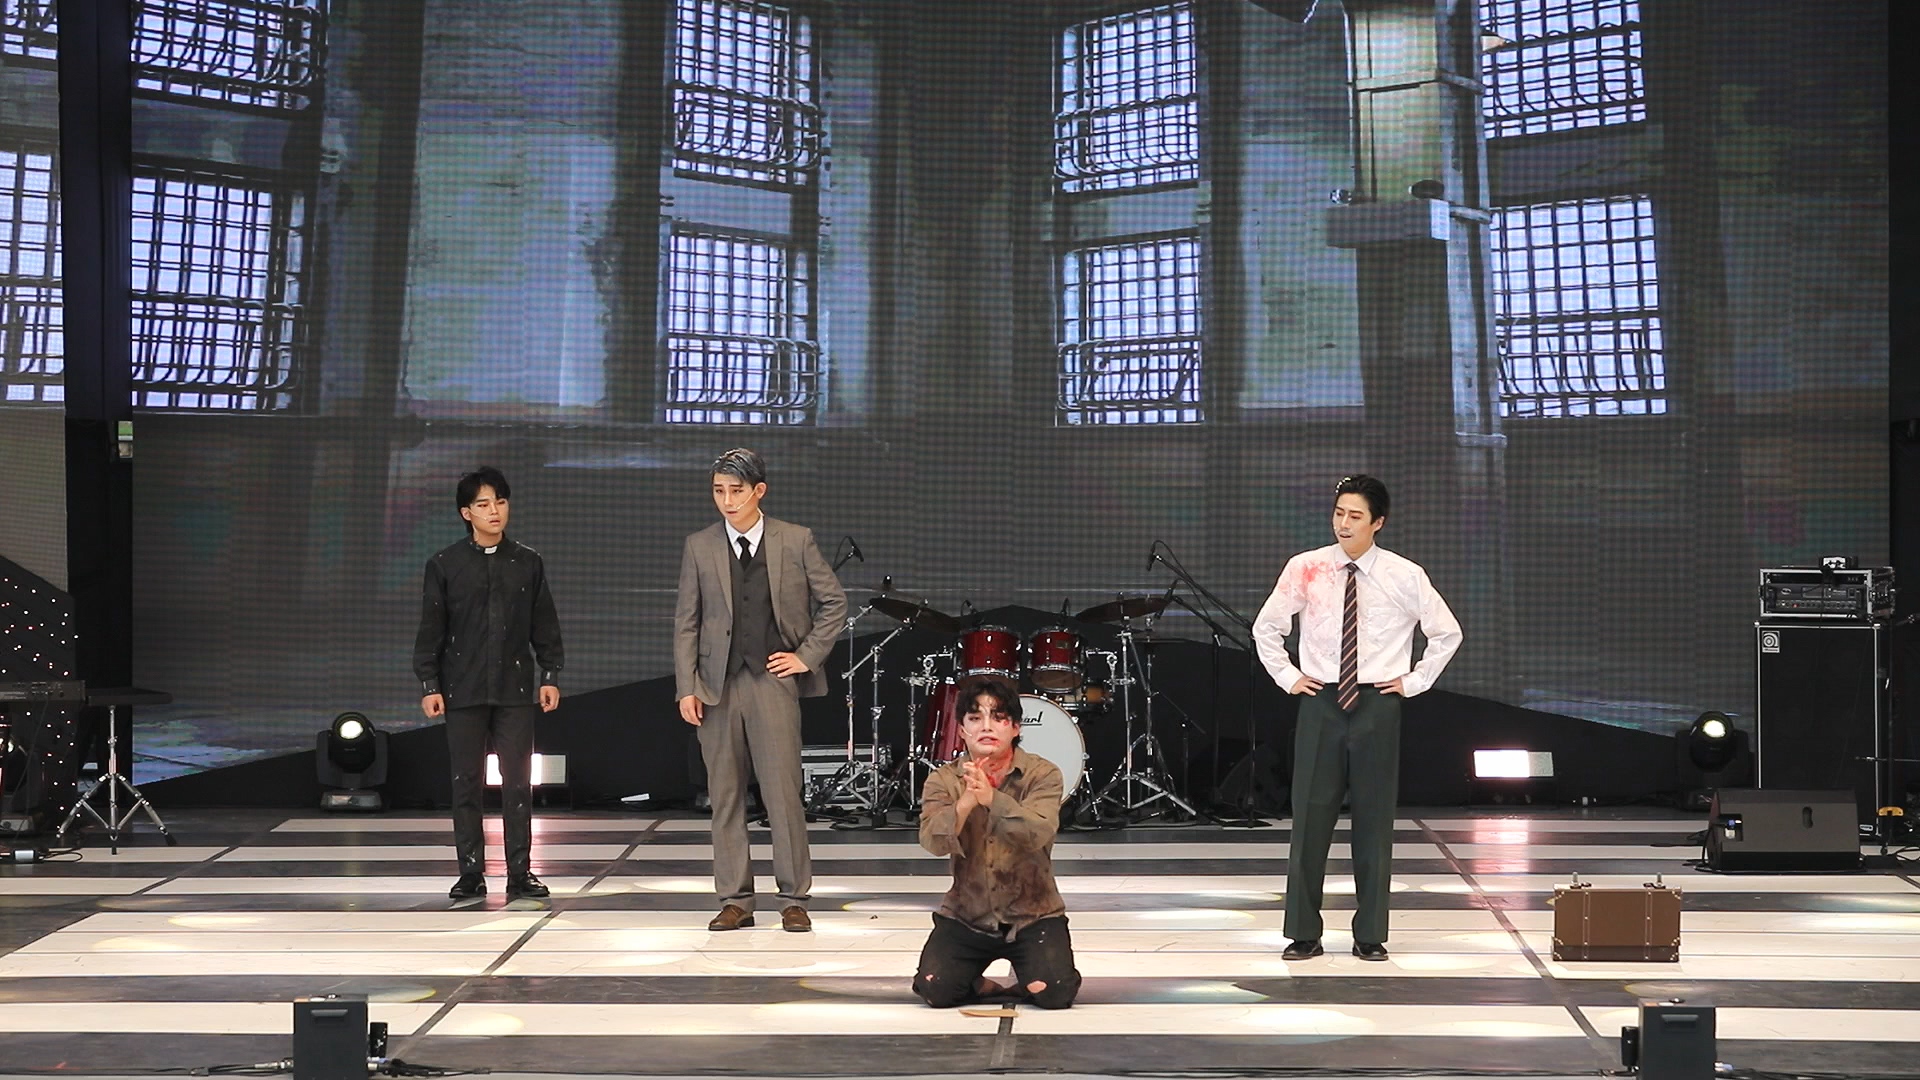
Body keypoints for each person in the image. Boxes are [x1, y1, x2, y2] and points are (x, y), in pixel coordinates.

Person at [1251, 474, 1461, 962]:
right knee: (1309, 819)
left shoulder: (1404, 574)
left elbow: (1446, 633)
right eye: (1339, 513)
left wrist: (1414, 681)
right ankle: (1303, 931)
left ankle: (1370, 934)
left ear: (1377, 522)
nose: (1343, 523)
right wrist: (1288, 676)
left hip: (1377, 703)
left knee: (1374, 820)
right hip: (1321, 700)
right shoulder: (1306, 567)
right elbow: (1267, 628)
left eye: (1355, 516)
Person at [675, 448, 847, 932]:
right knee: (725, 795)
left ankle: (793, 898)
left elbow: (834, 602)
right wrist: (686, 686)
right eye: (718, 491)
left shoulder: (795, 539)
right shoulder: (699, 545)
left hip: (772, 681)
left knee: (783, 793)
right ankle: (735, 900)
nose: (727, 500)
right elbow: (687, 622)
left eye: (736, 491)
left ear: (759, 491)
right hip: (716, 686)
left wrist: (805, 656)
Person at [413, 466, 564, 902]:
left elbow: (544, 624)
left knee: (518, 782)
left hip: (514, 687)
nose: (494, 510)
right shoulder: (445, 564)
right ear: (466, 513)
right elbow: (432, 630)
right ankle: (470, 872)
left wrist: (550, 674)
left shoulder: (527, 562)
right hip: (461, 688)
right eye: (483, 504)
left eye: (500, 501)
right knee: (466, 782)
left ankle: (520, 871)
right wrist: (429, 683)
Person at [913, 675, 1081, 1010]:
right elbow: (932, 841)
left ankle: (1031, 977)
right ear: (962, 730)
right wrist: (966, 802)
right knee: (935, 988)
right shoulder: (942, 780)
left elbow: (1039, 831)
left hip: (1033, 914)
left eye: (999, 717)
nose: (987, 727)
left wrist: (993, 799)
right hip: (967, 915)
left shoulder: (1043, 774)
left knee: (1054, 992)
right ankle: (982, 985)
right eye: (975, 718)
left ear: (1015, 728)